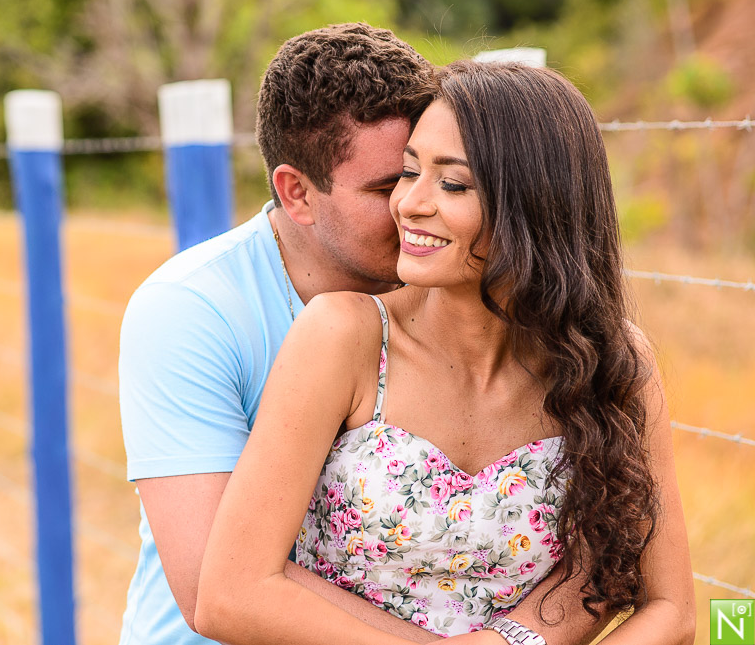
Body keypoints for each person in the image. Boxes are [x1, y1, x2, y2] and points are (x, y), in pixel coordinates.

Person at [118, 26, 610, 645]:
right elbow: (208, 592)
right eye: (391, 183)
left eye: (440, 175)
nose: (411, 203)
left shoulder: (459, 293)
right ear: (297, 193)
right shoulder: (191, 311)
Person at [193, 60, 695, 644]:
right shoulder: (344, 336)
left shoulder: (611, 363)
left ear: (536, 204)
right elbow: (231, 595)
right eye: (408, 173)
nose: (408, 204)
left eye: (452, 184)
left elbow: (671, 611)